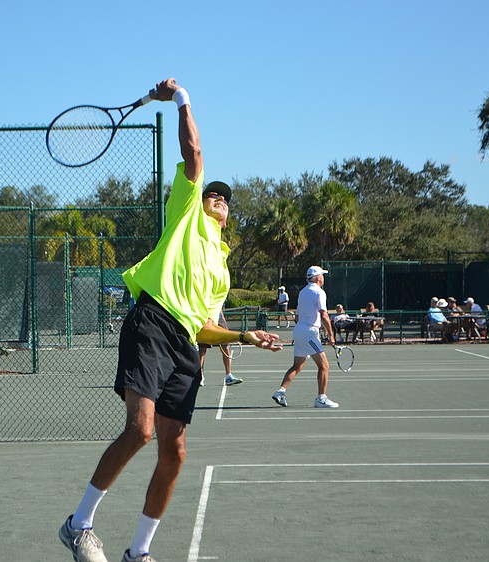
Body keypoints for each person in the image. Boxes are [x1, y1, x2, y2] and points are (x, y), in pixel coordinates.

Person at [59, 78, 282, 562]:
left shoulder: (221, 270)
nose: (218, 198)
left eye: (225, 199)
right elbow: (195, 154)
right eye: (213, 194)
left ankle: (138, 553)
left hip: (185, 346)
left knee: (174, 454)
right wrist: (180, 99)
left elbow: (204, 327)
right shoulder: (185, 213)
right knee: (139, 431)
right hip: (151, 323)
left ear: (229, 215)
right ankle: (79, 525)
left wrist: (245, 334)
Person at [272, 266, 339, 409]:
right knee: (324, 366)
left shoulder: (303, 292)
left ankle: (280, 392)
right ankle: (321, 399)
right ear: (318, 277)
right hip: (309, 333)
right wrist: (331, 335)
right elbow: (324, 315)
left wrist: (305, 330)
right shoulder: (319, 292)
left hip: (300, 330)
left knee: (298, 365)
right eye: (322, 275)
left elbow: (297, 316)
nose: (323, 277)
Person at [198, 308, 243, 386]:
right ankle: (200, 376)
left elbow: (219, 305)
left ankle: (229, 376)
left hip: (218, 319)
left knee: (225, 347)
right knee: (202, 349)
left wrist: (222, 319)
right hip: (205, 319)